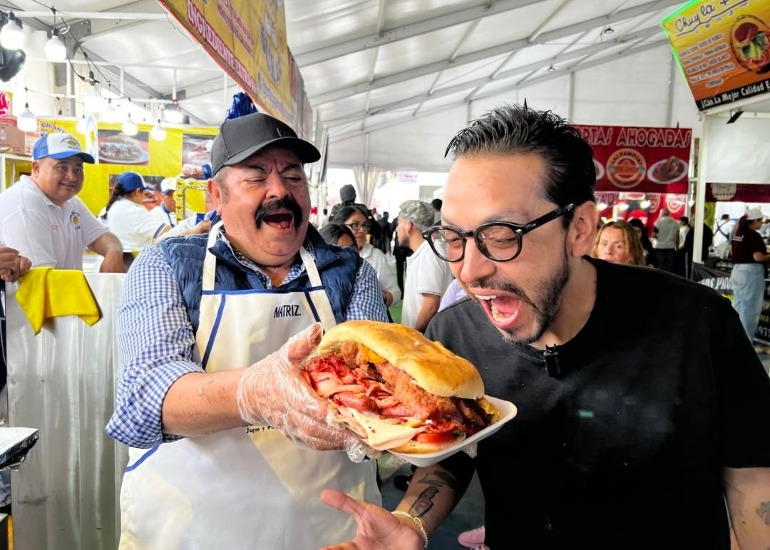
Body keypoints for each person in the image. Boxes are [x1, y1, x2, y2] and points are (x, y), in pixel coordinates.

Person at [319, 104, 770, 550]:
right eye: (454, 239)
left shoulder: (697, 324)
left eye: (501, 235)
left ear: (579, 229)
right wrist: (411, 523)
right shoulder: (453, 341)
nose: (469, 272)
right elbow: (449, 456)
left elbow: (753, 481)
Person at [105, 111, 388, 548]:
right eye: (256, 177)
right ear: (216, 193)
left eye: (293, 176)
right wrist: (255, 393)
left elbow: (377, 390)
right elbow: (143, 403)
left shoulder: (351, 273)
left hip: (329, 529)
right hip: (194, 530)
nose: (280, 190)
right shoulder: (167, 266)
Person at [0, 133, 124, 272]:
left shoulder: (72, 203)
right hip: (36, 293)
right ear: (36, 168)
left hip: (61, 291)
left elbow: (100, 237)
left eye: (78, 169)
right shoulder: (24, 203)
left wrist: (113, 251)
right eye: (62, 167)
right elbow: (41, 279)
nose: (72, 176)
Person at [396, 200, 453, 332]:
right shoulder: (429, 249)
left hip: (420, 341)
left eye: (399, 223)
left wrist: (413, 337)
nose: (396, 228)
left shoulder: (429, 253)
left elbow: (431, 306)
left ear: (409, 226)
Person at [333, 206, 401, 310]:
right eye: (355, 225)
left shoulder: (376, 256)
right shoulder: (328, 255)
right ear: (340, 227)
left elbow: (395, 292)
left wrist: (379, 296)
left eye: (364, 225)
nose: (362, 230)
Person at [102, 171, 171, 270]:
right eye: (144, 192)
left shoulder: (110, 208)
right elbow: (167, 231)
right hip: (128, 263)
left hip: (109, 262)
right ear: (138, 191)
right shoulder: (133, 211)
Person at [730, 207, 770, 352]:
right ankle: (745, 346)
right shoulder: (754, 236)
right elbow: (758, 257)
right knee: (750, 310)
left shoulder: (738, 234)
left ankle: (733, 340)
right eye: (761, 220)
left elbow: (731, 252)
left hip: (737, 271)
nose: (762, 223)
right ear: (755, 221)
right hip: (751, 273)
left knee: (738, 307)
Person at [653, 207, 679, 273]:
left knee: (659, 267)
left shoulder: (658, 223)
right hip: (671, 247)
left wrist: (659, 237)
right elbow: (677, 237)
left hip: (660, 247)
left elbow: (654, 235)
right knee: (669, 268)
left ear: (662, 214)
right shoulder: (676, 224)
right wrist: (677, 248)